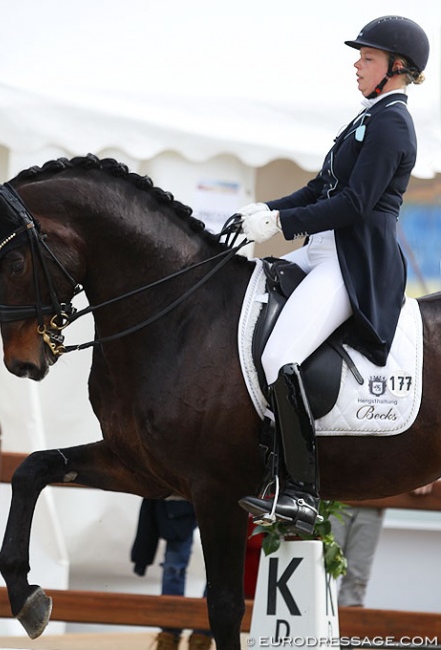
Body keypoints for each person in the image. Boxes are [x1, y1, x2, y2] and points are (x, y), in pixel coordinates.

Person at [237, 16, 430, 535]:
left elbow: (354, 203)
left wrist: (281, 223)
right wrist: (266, 208)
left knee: (280, 356)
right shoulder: (366, 117)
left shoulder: (392, 123)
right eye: (361, 56)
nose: (357, 64)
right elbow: (319, 187)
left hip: (351, 265)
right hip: (319, 253)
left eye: (367, 58)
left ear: (397, 69)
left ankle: (299, 491)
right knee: (239, 300)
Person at [131, 497, 212, 650]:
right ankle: (173, 633)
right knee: (174, 569)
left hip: (203, 493)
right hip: (180, 496)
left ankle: (200, 635)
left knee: (216, 570)